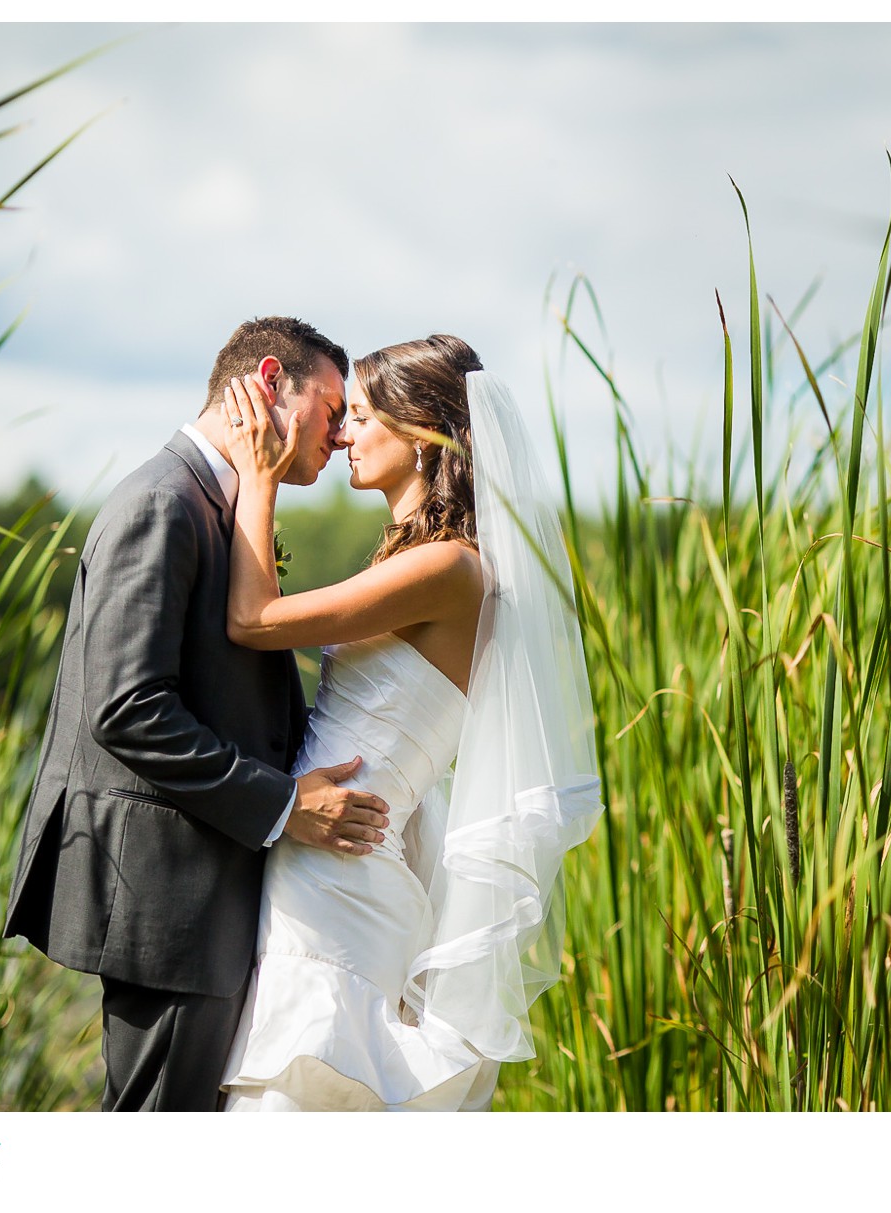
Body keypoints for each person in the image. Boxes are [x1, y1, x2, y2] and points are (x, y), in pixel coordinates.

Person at [3, 317, 393, 1112]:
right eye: (332, 405)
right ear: (271, 380)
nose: (342, 430)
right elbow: (129, 707)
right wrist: (285, 805)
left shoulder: (222, 500)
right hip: (167, 898)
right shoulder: (162, 501)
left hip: (203, 891)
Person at [216, 334, 603, 1111]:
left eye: (359, 416)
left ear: (422, 429)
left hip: (341, 878)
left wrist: (258, 479)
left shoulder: (449, 568)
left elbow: (256, 619)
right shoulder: (420, 559)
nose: (342, 434)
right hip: (339, 859)